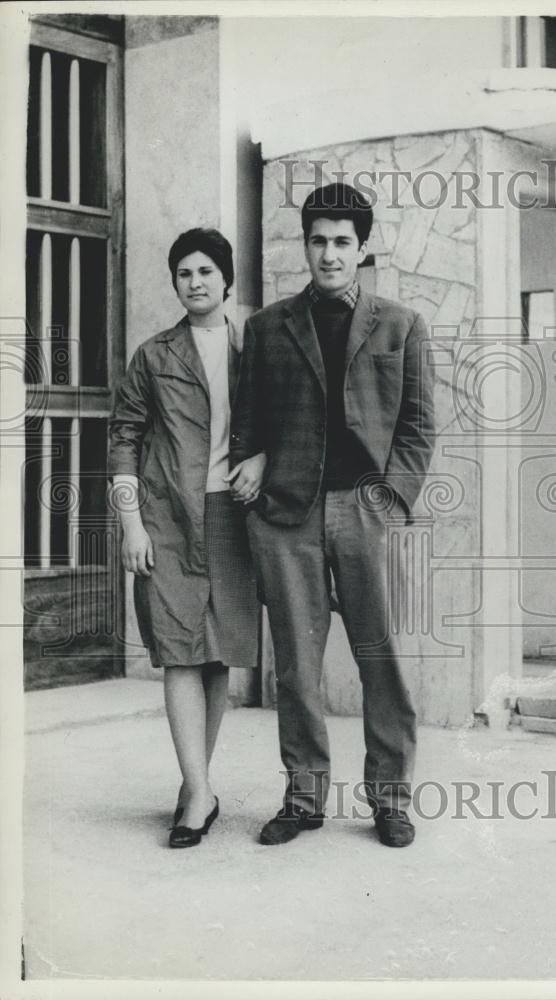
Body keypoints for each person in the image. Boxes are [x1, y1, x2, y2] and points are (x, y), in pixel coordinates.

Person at [229, 182, 435, 847]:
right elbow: (247, 420)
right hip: (287, 515)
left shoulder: (400, 325)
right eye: (318, 241)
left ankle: (390, 798)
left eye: (342, 242)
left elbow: (419, 425)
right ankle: (304, 796)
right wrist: (253, 467)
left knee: (380, 659)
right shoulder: (267, 328)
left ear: (362, 248)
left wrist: (390, 500)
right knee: (295, 664)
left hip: (364, 511)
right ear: (306, 245)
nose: (329, 254)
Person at [108, 228, 260, 847]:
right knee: (178, 648)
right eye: (183, 274)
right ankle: (197, 792)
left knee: (217, 647)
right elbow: (122, 438)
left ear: (227, 279)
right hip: (167, 518)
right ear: (174, 283)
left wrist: (264, 462)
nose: (195, 283)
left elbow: (279, 424)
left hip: (235, 517)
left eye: (205, 272)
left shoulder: (256, 350)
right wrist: (130, 523)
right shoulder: (153, 355)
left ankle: (197, 783)